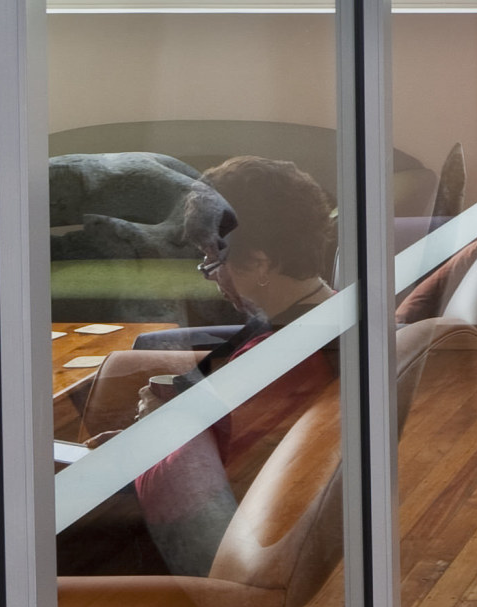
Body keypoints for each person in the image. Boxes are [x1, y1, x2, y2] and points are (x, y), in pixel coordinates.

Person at [77, 157, 344, 581]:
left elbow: (199, 501)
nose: (210, 276)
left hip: (153, 537)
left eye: (211, 258)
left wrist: (154, 435)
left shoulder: (281, 359)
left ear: (259, 263)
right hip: (168, 480)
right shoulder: (328, 314)